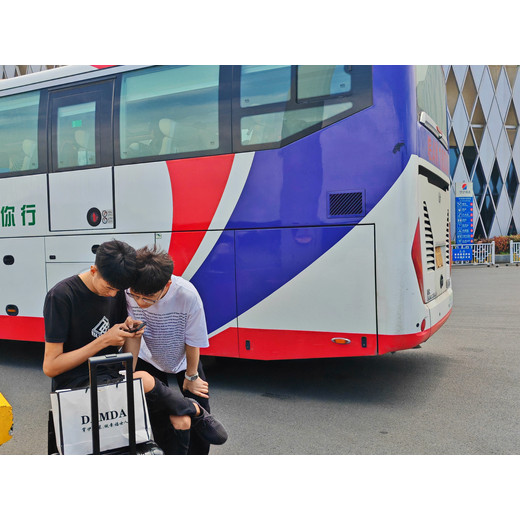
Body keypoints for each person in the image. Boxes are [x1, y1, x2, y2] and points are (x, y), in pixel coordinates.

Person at [42, 239, 227, 455]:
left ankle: (191, 416)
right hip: (75, 385)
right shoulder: (62, 296)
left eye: (119, 290)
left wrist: (132, 334)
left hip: (110, 378)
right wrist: (104, 341)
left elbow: (135, 350)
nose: (114, 294)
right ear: (93, 270)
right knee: (146, 382)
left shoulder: (121, 291)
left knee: (169, 413)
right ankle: (195, 410)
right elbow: (51, 367)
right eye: (110, 288)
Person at [125, 245, 215, 455]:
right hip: (150, 357)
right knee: (157, 414)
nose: (140, 302)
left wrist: (191, 376)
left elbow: (193, 340)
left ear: (167, 284)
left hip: (185, 360)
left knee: (201, 415)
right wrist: (128, 372)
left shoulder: (187, 295)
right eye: (135, 296)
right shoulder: (128, 291)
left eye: (148, 298)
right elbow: (135, 334)